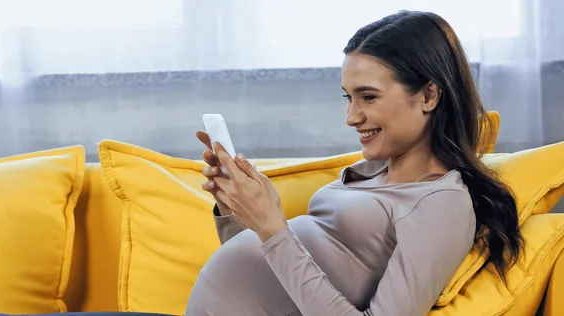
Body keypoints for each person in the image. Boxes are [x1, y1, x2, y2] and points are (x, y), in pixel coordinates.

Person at [186, 10, 524, 316]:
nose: (351, 117)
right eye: (349, 97)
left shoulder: (442, 202)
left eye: (369, 96)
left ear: (428, 96)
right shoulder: (366, 173)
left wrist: (273, 227)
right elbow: (272, 275)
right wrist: (233, 208)